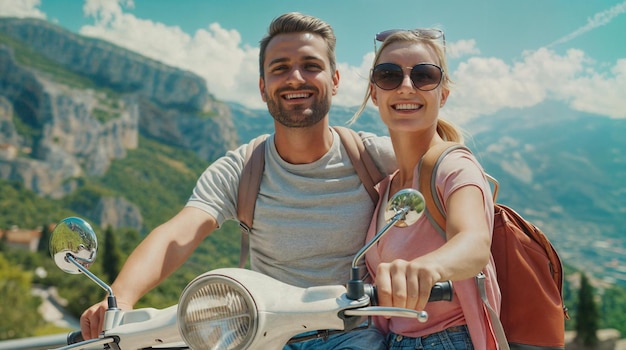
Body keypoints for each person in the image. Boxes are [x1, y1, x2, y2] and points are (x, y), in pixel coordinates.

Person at [79, 12, 395, 350]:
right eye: (280, 68)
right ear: (263, 87)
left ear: (334, 80)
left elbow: (447, 173)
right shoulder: (243, 168)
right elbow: (178, 233)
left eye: (311, 66)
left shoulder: (374, 158)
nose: (295, 77)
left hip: (353, 336)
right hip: (266, 336)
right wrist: (120, 299)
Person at [350, 28, 501, 349]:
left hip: (447, 339)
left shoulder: (455, 166)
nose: (406, 87)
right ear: (374, 92)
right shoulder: (388, 185)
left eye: (424, 76)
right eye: (389, 75)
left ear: (442, 94)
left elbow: (474, 241)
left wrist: (427, 268)